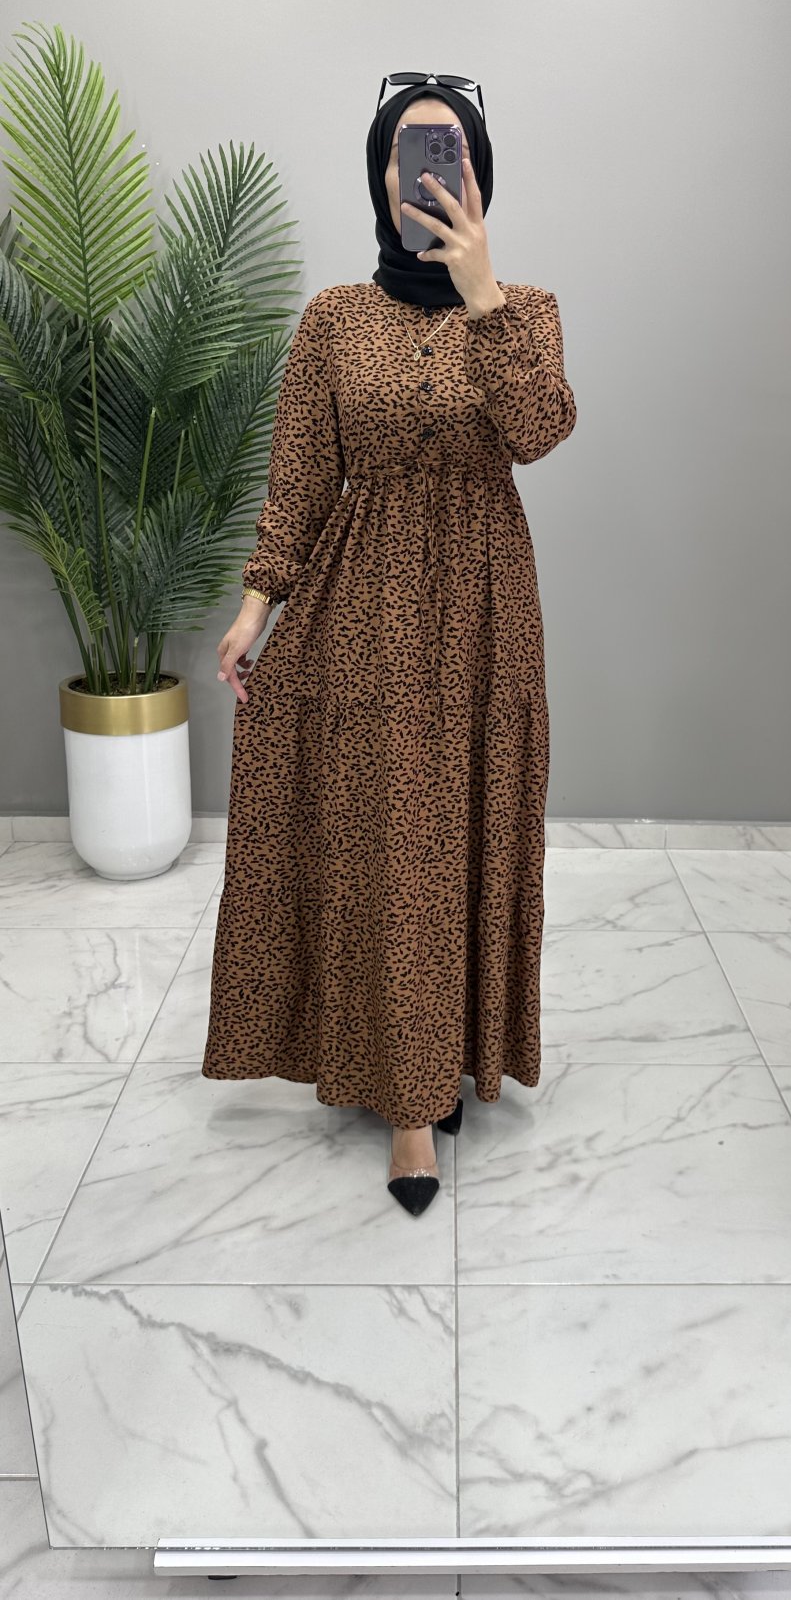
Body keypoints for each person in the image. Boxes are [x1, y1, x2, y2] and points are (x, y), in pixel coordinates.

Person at [202, 75, 577, 1216]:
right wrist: (255, 608)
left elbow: (540, 430)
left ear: (478, 173)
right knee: (389, 843)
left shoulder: (526, 308)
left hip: (484, 611)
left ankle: (444, 1050)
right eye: (408, 148)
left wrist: (483, 296)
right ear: (380, 175)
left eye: (449, 148)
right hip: (362, 611)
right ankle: (410, 1104)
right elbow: (300, 480)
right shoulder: (332, 319)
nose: (428, 167)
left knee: (464, 830)